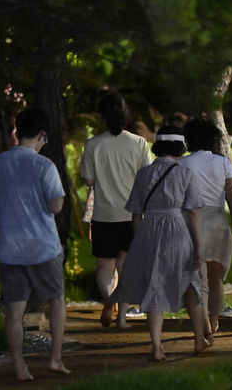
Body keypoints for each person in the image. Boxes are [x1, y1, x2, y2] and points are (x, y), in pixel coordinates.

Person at [110, 125, 209, 361]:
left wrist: (141, 239)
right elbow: (193, 213)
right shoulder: (185, 174)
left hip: (149, 229)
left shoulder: (143, 174)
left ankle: (156, 347)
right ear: (179, 147)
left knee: (154, 287)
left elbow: (135, 214)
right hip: (177, 229)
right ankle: (198, 340)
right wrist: (199, 246)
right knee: (191, 285)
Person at [0, 108, 70, 381]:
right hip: (43, 247)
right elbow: (56, 206)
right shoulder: (44, 166)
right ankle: (55, 359)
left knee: (14, 309)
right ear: (42, 135)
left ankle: (20, 367)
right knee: (56, 301)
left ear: (16, 131)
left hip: (9, 248)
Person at [81, 91, 152, 328]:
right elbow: (148, 177)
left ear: (102, 116)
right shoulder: (139, 143)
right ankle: (122, 319)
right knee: (125, 267)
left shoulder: (93, 144)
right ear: (125, 114)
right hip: (133, 215)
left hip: (104, 214)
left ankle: (108, 301)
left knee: (105, 267)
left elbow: (89, 180)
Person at [180, 119, 232, 335]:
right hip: (218, 222)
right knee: (216, 278)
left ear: (189, 140)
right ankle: (214, 320)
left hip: (192, 222)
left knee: (199, 278)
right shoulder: (223, 163)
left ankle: (203, 323)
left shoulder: (182, 164)